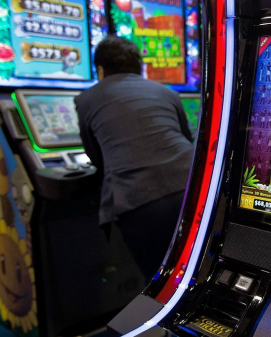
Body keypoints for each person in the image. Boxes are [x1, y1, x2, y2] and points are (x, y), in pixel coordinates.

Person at [75, 36, 194, 283]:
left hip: (141, 199)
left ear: (100, 70)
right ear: (139, 67)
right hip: (192, 187)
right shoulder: (167, 92)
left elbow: (97, 157)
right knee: (195, 267)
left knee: (160, 281)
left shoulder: (87, 98)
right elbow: (187, 138)